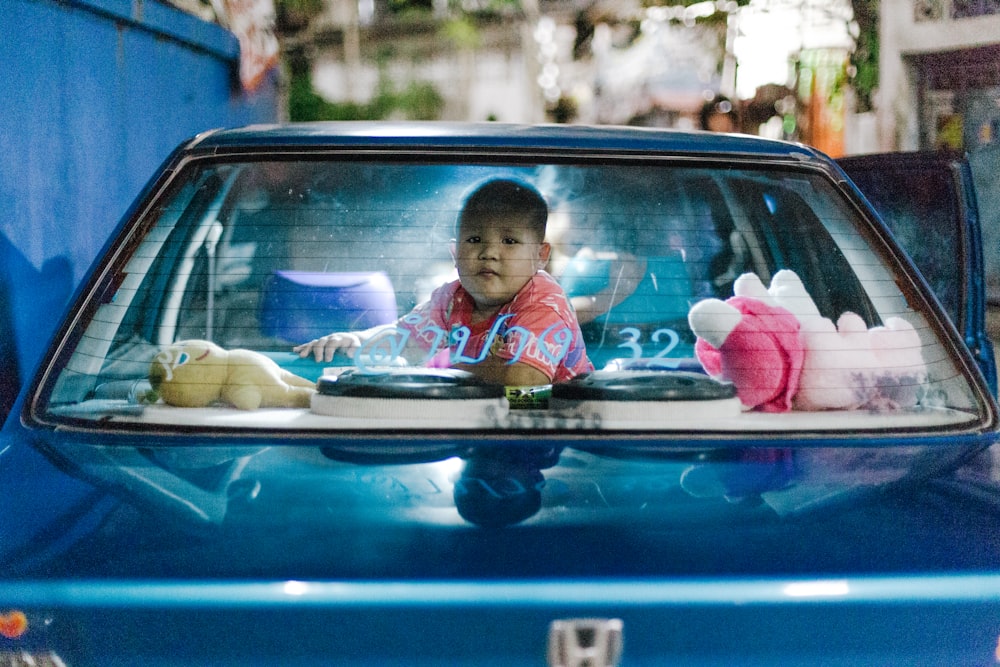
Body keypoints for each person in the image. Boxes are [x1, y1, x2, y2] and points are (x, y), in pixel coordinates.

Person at [293, 178, 593, 386]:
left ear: (540, 257)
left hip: (557, 428)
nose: (489, 253)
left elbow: (525, 384)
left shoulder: (543, 300)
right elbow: (404, 338)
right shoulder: (453, 300)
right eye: (475, 240)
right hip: (484, 423)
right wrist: (356, 341)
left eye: (509, 241)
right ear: (455, 252)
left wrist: (448, 364)